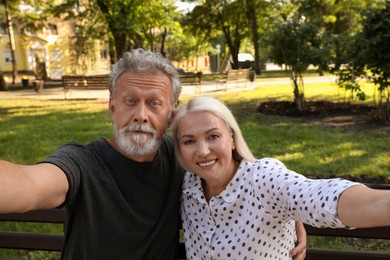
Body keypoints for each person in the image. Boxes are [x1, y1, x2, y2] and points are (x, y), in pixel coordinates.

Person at [0, 49, 306, 259]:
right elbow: (29, 185)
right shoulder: (83, 163)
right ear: (112, 108)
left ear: (171, 114)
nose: (141, 115)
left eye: (154, 104)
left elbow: (241, 176)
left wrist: (289, 212)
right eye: (130, 101)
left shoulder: (184, 156)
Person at [172, 96, 390, 260]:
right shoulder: (188, 186)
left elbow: (319, 196)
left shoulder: (263, 179)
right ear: (179, 149)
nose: (202, 151)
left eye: (213, 136)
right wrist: (295, 218)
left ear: (232, 139)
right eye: (189, 141)